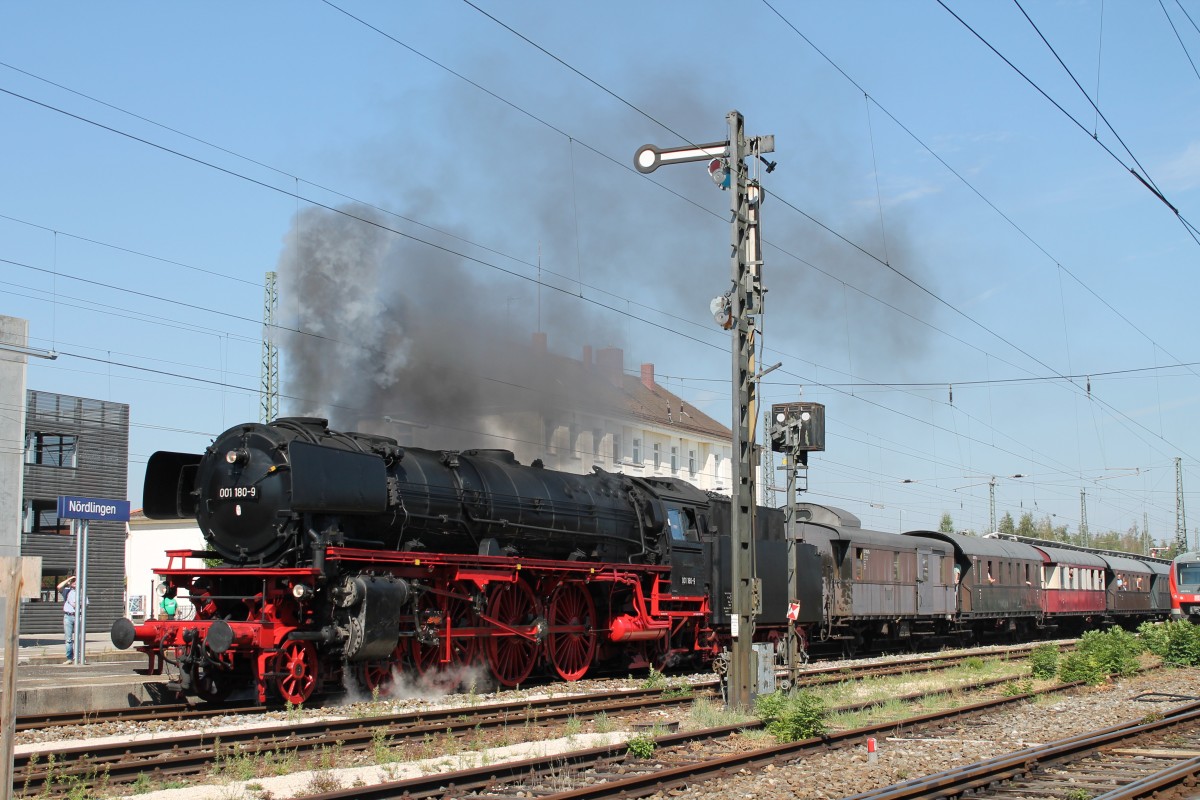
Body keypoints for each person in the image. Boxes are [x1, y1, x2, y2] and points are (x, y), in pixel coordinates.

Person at [58, 575, 77, 664]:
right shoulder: (67, 591)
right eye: (73, 581)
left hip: (78, 615)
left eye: (75, 580)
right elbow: (59, 587)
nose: (74, 582)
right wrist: (69, 579)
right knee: (68, 639)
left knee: (79, 638)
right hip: (68, 616)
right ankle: (69, 658)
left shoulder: (81, 591)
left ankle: (78, 657)